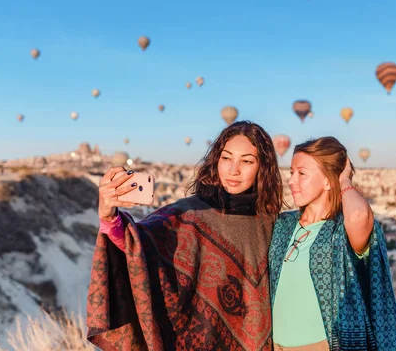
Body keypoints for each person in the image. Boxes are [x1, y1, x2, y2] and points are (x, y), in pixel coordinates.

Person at [86, 121, 284, 350]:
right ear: (216, 159)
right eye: (226, 158)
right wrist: (109, 217)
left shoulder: (272, 224)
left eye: (247, 161)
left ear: (263, 168)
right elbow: (137, 246)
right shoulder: (189, 213)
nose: (233, 170)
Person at [268, 137, 396, 351]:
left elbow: (359, 214)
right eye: (292, 172)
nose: (292, 181)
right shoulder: (284, 224)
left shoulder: (341, 231)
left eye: (302, 173)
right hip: (276, 345)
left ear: (328, 181)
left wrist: (345, 180)